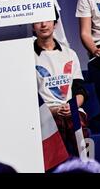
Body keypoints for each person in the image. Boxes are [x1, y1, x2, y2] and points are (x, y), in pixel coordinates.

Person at [33, 20, 89, 154]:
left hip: (71, 109)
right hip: (44, 112)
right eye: (37, 21)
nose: (43, 25)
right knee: (56, 123)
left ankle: (88, 166)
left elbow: (80, 90)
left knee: (76, 124)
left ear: (55, 23)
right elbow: (29, 95)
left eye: (47, 20)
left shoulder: (70, 53)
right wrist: (51, 110)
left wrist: (72, 107)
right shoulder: (27, 56)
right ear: (32, 26)